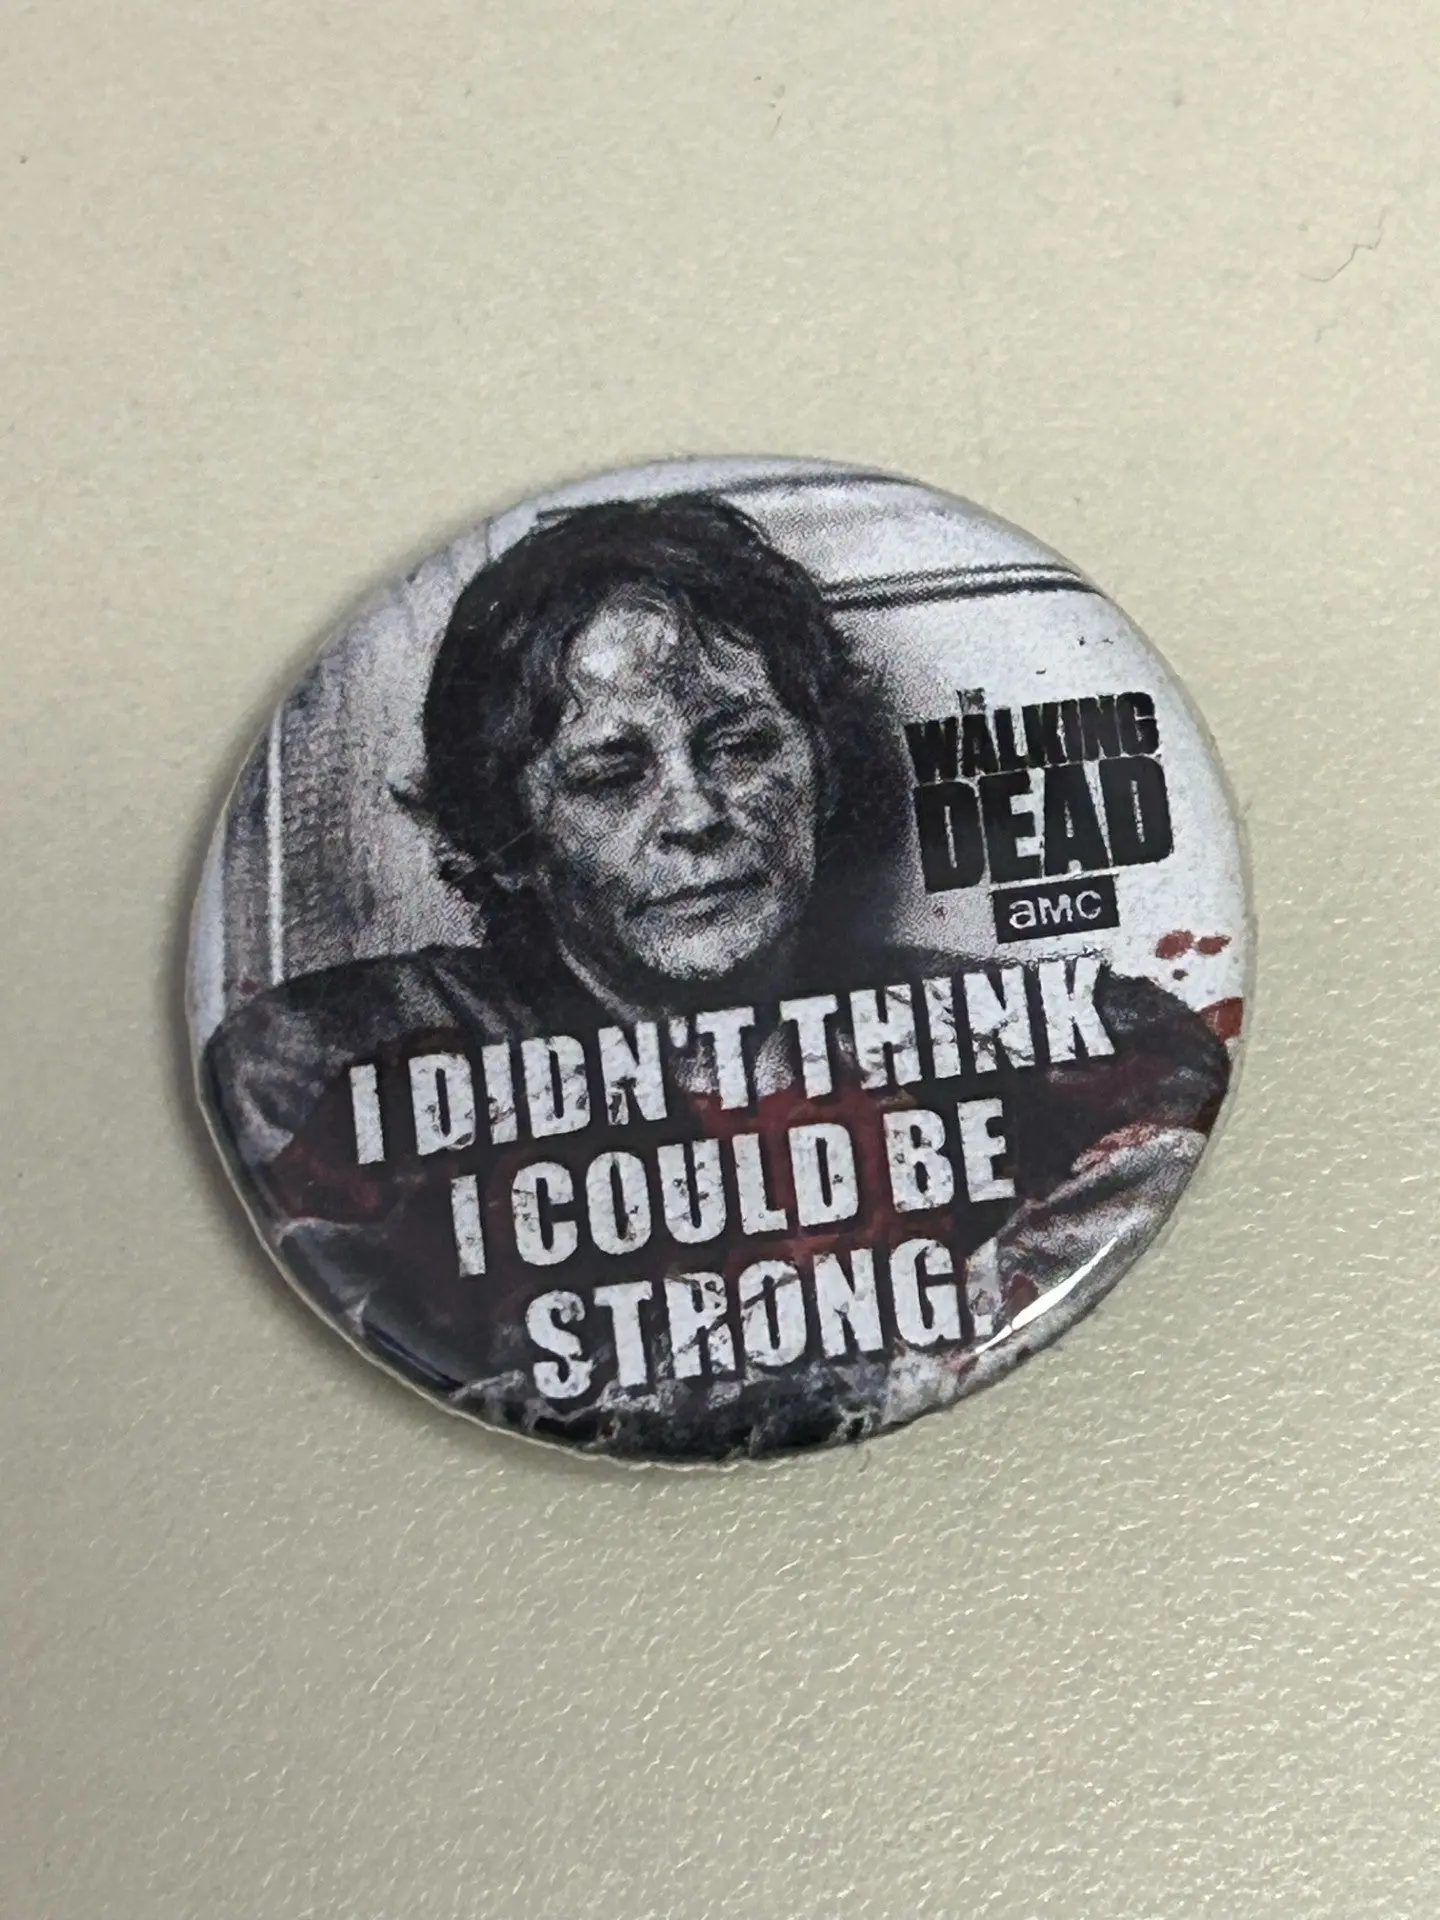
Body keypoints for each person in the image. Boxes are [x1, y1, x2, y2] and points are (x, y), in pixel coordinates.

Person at [203, 494, 1231, 1457]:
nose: (696, 816)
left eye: (740, 747)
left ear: (819, 769)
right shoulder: (353, 1068)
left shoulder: (1007, 1031)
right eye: (610, 775)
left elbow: (1172, 1081)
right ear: (503, 833)